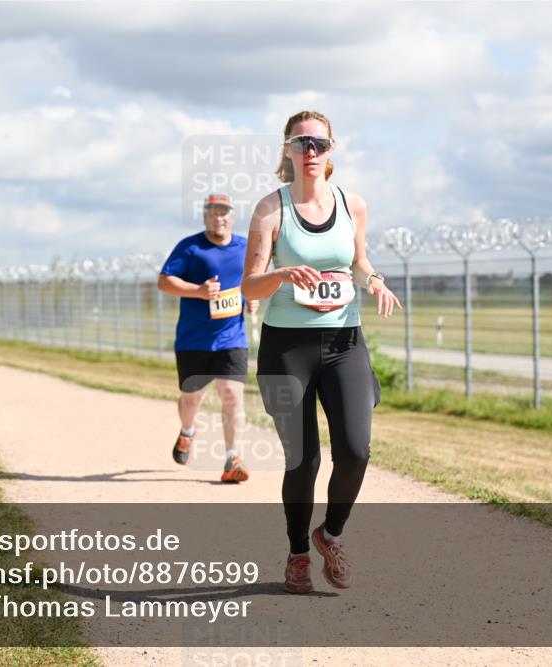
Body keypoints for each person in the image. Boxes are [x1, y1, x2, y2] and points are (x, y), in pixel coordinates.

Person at [241, 111, 401, 593]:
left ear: (331, 149)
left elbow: (358, 260)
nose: (311, 151)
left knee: (354, 450)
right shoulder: (270, 210)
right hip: (286, 348)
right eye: (301, 143)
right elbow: (249, 286)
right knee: (304, 460)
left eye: (320, 143)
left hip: (344, 342)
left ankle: (330, 535)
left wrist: (374, 280)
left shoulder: (353, 205)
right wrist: (281, 275)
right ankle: (297, 554)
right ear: (287, 150)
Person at [157, 193, 259, 483]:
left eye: (224, 212)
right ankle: (187, 430)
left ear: (232, 216)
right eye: (213, 212)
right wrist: (199, 291)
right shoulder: (190, 247)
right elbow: (164, 282)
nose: (219, 217)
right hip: (193, 340)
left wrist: (253, 298)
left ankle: (232, 458)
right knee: (191, 399)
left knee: (232, 394)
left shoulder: (245, 247)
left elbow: (254, 281)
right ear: (205, 216)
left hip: (231, 337)